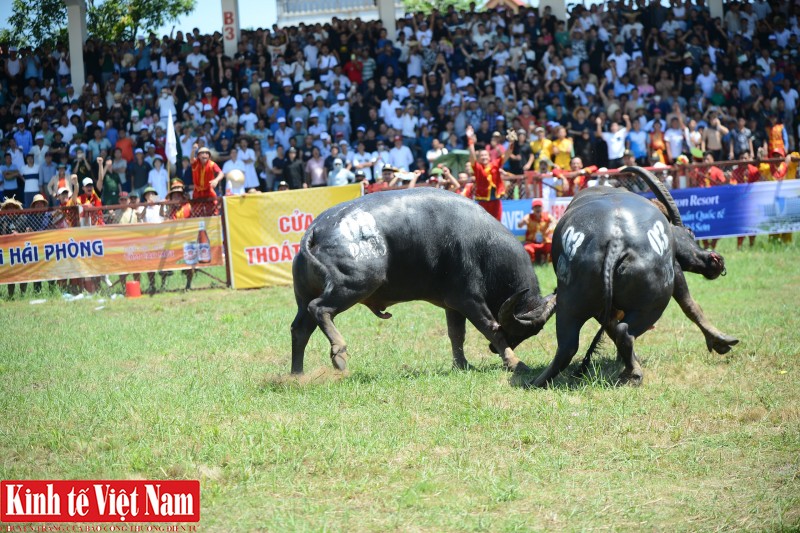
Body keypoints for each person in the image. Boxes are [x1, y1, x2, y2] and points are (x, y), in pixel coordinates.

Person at [466, 125, 514, 221]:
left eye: (486, 155)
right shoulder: (477, 168)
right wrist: (470, 140)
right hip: (483, 202)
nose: (484, 157)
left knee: (497, 225)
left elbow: (507, 155)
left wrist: (512, 142)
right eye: (481, 156)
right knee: (483, 226)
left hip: (495, 201)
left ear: (489, 157)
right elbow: (472, 156)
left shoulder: (495, 164)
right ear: (479, 158)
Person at [517, 198, 553, 265]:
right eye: (535, 207)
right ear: (532, 209)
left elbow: (555, 222)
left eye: (539, 207)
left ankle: (548, 262)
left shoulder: (547, 216)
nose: (537, 209)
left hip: (544, 242)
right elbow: (519, 225)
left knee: (551, 246)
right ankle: (531, 264)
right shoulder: (528, 217)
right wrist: (522, 222)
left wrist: (551, 226)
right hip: (532, 243)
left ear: (542, 208)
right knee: (527, 248)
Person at [190, 144, 223, 216]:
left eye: (206, 153)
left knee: (214, 210)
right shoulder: (195, 163)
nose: (204, 155)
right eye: (202, 153)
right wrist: (193, 150)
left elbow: (221, 173)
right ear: (198, 156)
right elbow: (192, 159)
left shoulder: (212, 164)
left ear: (209, 156)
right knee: (196, 211)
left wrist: (216, 180)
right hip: (197, 191)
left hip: (208, 191)